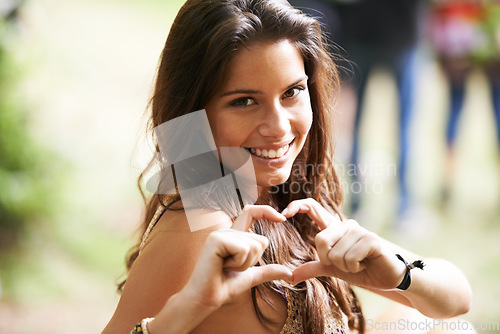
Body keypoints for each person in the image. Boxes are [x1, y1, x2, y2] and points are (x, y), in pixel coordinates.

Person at [102, 1, 472, 333]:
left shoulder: (292, 195)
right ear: (194, 112)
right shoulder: (203, 225)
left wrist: (401, 273)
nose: (279, 126)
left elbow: (456, 298)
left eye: (292, 92)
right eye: (244, 101)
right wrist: (187, 309)